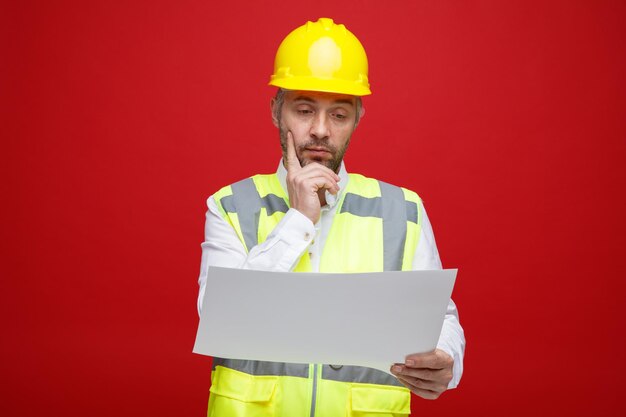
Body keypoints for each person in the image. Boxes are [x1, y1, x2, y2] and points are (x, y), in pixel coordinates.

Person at [197, 17, 465, 417]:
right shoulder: (231, 206)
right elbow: (222, 321)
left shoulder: (404, 211)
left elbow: (439, 318)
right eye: (304, 110)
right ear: (276, 111)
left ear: (358, 118)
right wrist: (299, 220)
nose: (320, 130)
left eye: (338, 115)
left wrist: (447, 359)